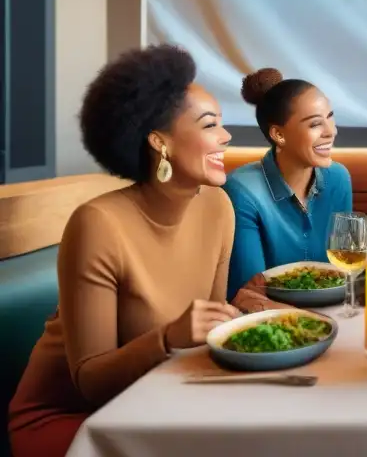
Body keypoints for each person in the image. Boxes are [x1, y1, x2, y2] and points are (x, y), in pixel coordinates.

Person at [8, 45, 240, 457]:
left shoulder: (218, 207)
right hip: (77, 422)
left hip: (159, 403)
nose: (226, 136)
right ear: (159, 141)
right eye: (210, 125)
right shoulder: (98, 223)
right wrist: (168, 338)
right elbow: (90, 381)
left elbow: (211, 338)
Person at [224, 69, 352, 313]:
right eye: (315, 124)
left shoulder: (338, 178)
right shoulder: (241, 190)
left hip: (333, 311)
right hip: (268, 322)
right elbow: (250, 295)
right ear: (278, 134)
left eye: (330, 118)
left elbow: (343, 270)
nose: (331, 131)